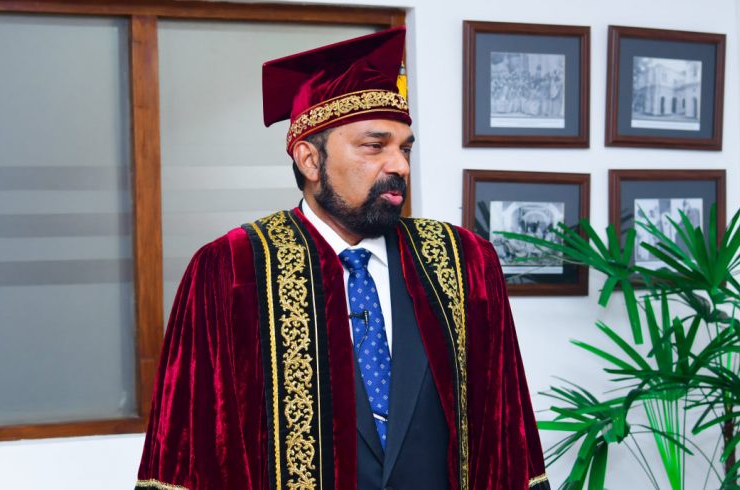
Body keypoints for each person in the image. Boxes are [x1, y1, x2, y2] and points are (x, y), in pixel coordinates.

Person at [134, 26, 550, 490]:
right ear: (309, 160)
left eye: (404, 148)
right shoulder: (233, 269)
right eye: (375, 146)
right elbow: (190, 451)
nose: (400, 166)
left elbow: (505, 436)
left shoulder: (462, 260)